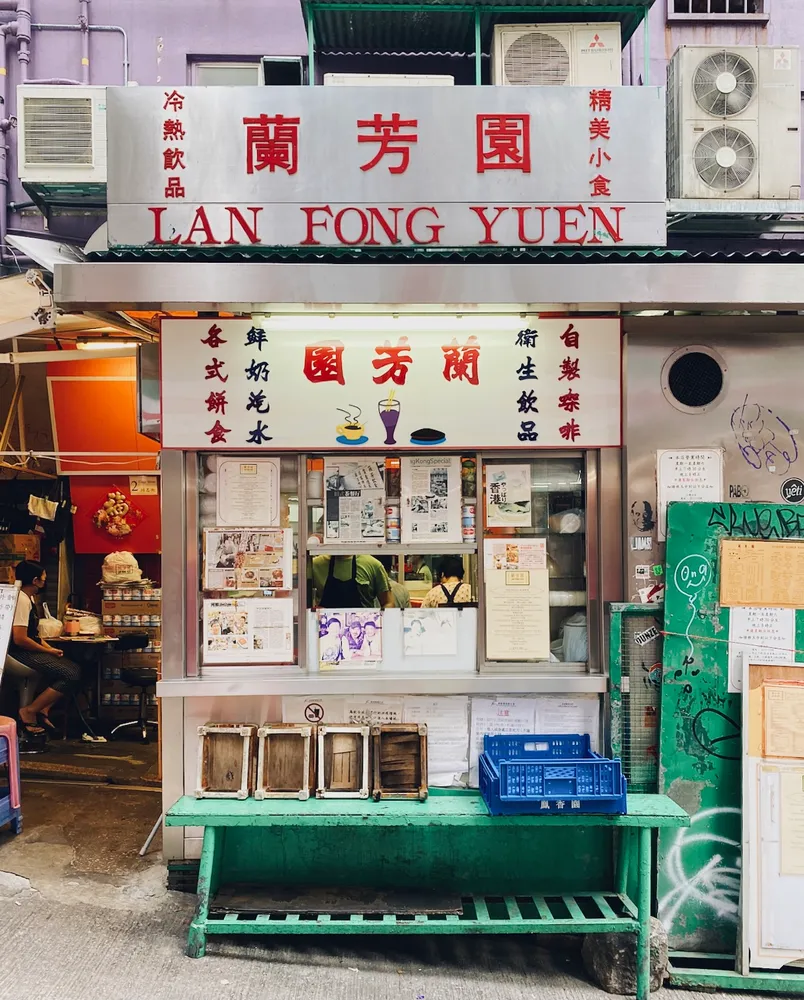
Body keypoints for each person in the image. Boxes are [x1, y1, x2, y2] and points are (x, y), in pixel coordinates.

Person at [10, 560, 83, 737]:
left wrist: (48, 647)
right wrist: (46, 651)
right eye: (43, 579)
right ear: (35, 580)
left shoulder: (29, 598)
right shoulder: (21, 600)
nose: (45, 582)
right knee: (71, 673)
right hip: (17, 653)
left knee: (76, 668)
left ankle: (43, 709)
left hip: (27, 650)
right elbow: (20, 639)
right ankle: (30, 711)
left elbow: (33, 634)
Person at [312, 553, 394, 609]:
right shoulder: (315, 565)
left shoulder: (373, 565)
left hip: (364, 630)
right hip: (327, 629)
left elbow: (388, 603)